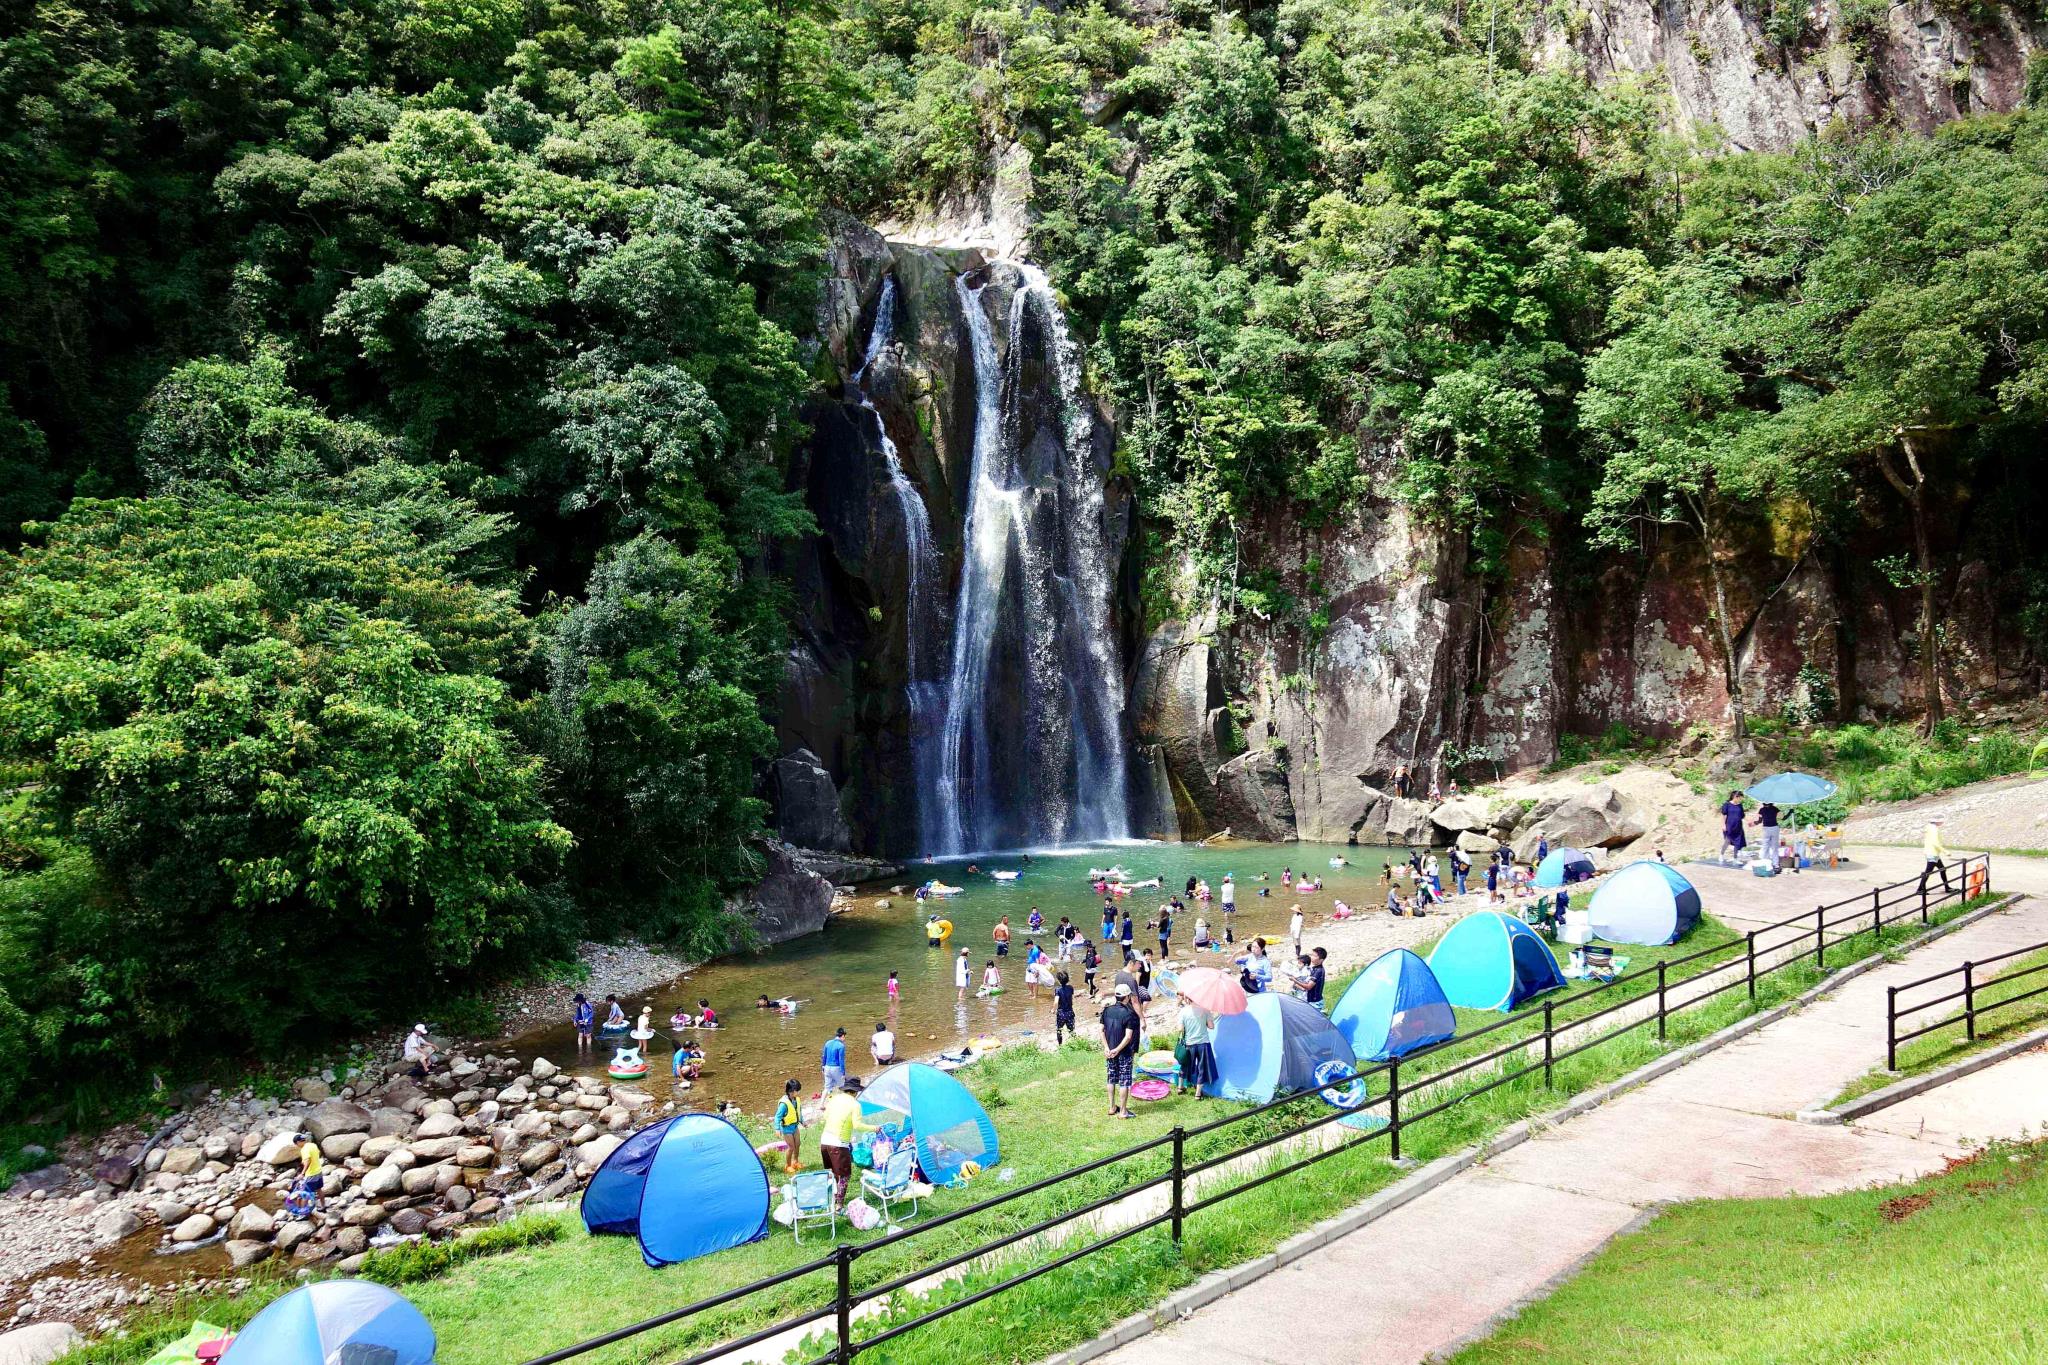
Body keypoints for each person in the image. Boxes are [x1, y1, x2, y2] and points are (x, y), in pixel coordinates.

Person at [818, 1078, 876, 1205]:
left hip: (824, 1141)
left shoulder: (834, 1099)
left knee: (832, 1172)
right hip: (838, 1144)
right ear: (855, 1092)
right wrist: (874, 1128)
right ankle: (839, 1204)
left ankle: (831, 1198)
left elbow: (825, 1116)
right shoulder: (855, 1104)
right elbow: (857, 1125)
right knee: (844, 1175)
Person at [1100, 984, 1140, 1119]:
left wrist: (1107, 1048)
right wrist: (1117, 1049)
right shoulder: (1129, 1014)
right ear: (1127, 997)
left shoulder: (1106, 1010)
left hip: (1109, 1051)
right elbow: (1128, 1037)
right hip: (1124, 1053)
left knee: (1111, 1079)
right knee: (1124, 1081)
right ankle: (1123, 1111)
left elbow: (1101, 1031)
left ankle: (1112, 1107)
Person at [1177, 995, 1215, 1097]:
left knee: (1185, 1064)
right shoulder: (1205, 1010)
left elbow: (1180, 1028)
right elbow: (1211, 1026)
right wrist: (1204, 1023)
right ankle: (1198, 1094)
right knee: (1202, 1067)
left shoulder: (1183, 1011)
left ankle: (1180, 1087)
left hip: (1189, 1044)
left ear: (1188, 998)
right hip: (1203, 1043)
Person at [774, 1080, 804, 1173]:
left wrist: (802, 1121)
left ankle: (795, 1161)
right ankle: (788, 1165)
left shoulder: (796, 1099)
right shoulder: (784, 1104)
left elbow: (799, 1112)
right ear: (792, 1091)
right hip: (787, 1128)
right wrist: (777, 1129)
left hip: (795, 1126)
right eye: (797, 1090)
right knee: (791, 1147)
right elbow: (777, 1117)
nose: (798, 1092)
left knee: (798, 1144)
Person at [1919, 816, 1953, 894]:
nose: (1942, 822)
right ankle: (1920, 889)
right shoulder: (1934, 830)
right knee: (1928, 871)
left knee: (1942, 869)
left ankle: (1947, 887)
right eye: (1941, 821)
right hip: (1933, 853)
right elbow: (1935, 843)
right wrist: (1945, 851)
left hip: (1931, 852)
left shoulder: (1929, 828)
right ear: (1937, 822)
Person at [1720, 791, 1748, 864]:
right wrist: (1723, 825)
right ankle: (1721, 854)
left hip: (1738, 827)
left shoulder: (1740, 805)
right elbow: (1724, 816)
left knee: (1737, 843)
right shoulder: (1727, 805)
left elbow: (1742, 816)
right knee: (1727, 842)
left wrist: (1749, 821)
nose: (1740, 800)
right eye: (1740, 798)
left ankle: (1735, 859)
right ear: (1736, 797)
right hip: (1729, 827)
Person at [1757, 801, 1784, 870]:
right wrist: (1790, 812)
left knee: (1765, 846)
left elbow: (1759, 821)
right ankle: (1776, 864)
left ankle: (1765, 863)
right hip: (1775, 828)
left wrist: (1754, 823)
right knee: (1775, 847)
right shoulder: (1775, 809)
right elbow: (1783, 818)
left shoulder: (1761, 810)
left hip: (1766, 829)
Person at [1053, 969, 1077, 1045]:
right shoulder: (1070, 988)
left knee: (1059, 1030)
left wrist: (1053, 1010)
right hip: (1070, 1012)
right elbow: (1072, 998)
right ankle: (1075, 1043)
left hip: (1061, 1013)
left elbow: (1056, 1001)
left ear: (1059, 980)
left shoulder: (1058, 990)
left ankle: (1060, 1045)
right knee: (1071, 1030)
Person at [821, 1027, 847, 1094]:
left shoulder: (828, 1042)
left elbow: (824, 1056)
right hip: (835, 1068)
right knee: (842, 1086)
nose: (845, 1039)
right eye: (844, 1037)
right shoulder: (841, 1046)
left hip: (827, 1067)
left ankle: (821, 1103)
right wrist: (843, 1073)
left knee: (827, 1088)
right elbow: (841, 1060)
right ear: (843, 1036)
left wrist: (822, 1067)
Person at [1220, 873, 1237, 943]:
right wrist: (1230, 879)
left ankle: (1227, 922)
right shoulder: (1232, 885)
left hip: (1224, 900)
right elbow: (1231, 883)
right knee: (1232, 911)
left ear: (1224, 881)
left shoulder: (1222, 887)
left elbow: (1223, 889)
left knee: (1225, 913)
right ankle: (1235, 919)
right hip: (1230, 900)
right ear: (1229, 881)